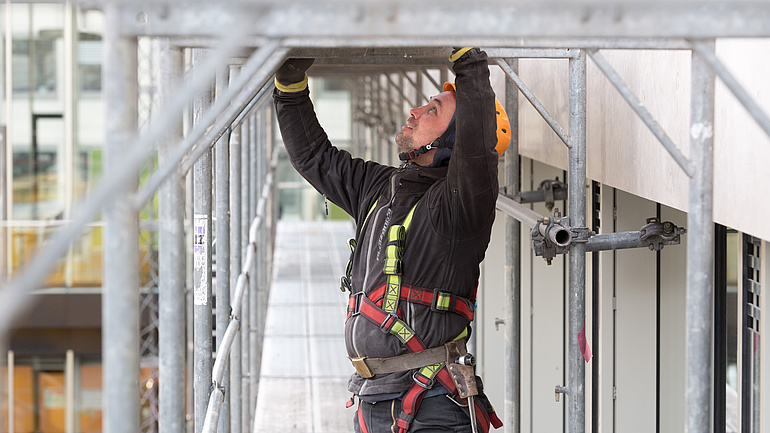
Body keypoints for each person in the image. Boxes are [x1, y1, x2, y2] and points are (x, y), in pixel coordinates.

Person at [273, 47, 509, 433]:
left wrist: (468, 60)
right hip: (373, 398)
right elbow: (314, 157)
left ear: (456, 138)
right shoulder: (381, 187)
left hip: (430, 406)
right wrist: (291, 89)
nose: (415, 112)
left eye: (433, 110)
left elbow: (478, 147)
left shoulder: (460, 206)